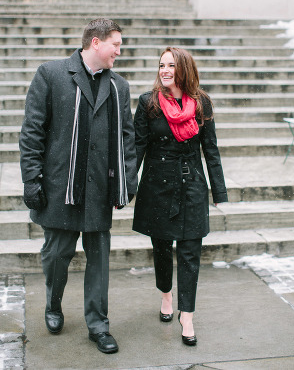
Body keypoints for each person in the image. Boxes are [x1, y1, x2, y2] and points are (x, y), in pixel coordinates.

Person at [19, 18, 137, 354]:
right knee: (57, 255)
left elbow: (127, 138)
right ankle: (53, 304)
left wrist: (127, 182)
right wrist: (32, 180)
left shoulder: (119, 86)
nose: (119, 50)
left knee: (99, 260)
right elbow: (32, 133)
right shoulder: (51, 74)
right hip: (60, 187)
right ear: (96, 43)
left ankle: (99, 325)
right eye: (116, 44)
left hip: (101, 188)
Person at [133, 46, 227, 346]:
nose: (164, 70)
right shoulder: (148, 103)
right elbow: (137, 146)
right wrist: (125, 184)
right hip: (158, 186)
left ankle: (187, 315)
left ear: (183, 69)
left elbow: (210, 149)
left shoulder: (202, 104)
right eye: (161, 65)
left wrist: (218, 191)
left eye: (171, 65)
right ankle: (166, 294)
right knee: (161, 247)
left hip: (191, 186)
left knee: (190, 253)